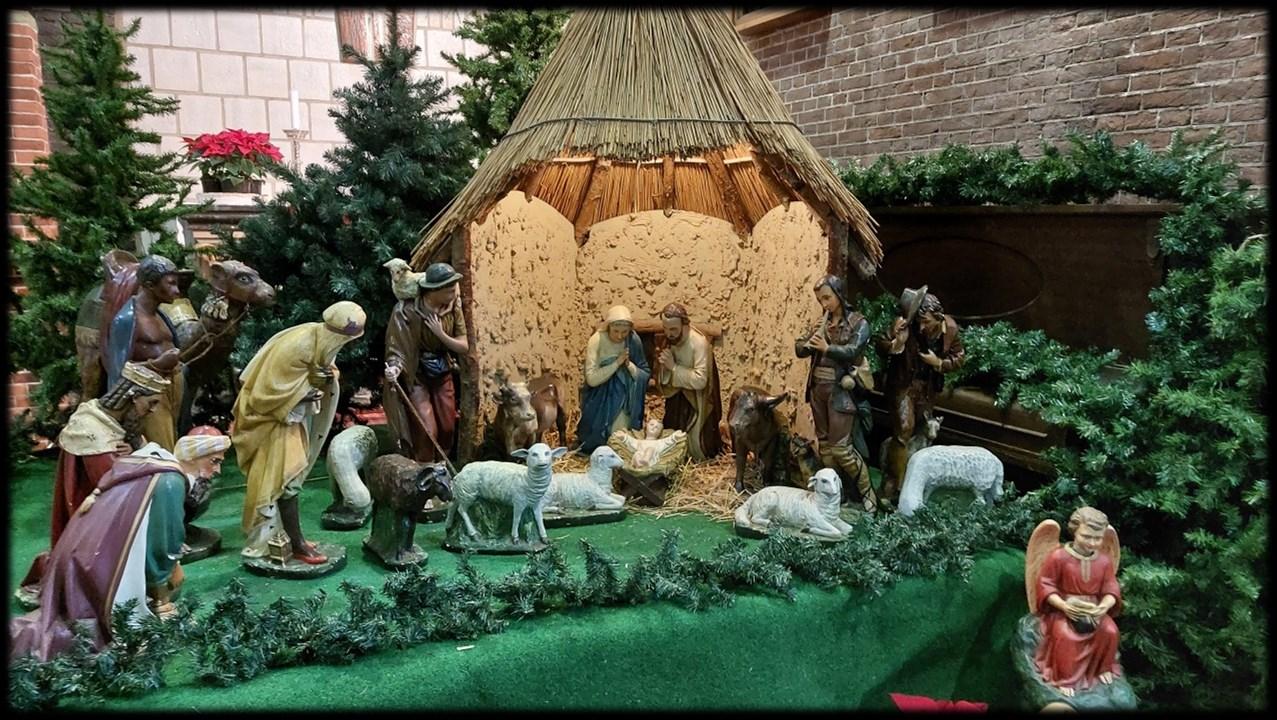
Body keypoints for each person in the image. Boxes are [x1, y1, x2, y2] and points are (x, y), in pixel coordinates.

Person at [9, 428, 228, 663]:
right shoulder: (171, 482)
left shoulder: (152, 462)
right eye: (214, 461)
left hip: (81, 555)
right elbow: (161, 545)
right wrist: (164, 595)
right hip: (97, 566)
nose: (217, 471)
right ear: (193, 457)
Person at [15, 362, 170, 604]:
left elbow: (134, 451)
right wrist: (139, 461)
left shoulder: (121, 421)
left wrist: (136, 450)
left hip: (110, 512)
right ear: (132, 397)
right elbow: (113, 485)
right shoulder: (91, 430)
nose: (153, 410)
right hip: (95, 522)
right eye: (150, 403)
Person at [233, 301, 366, 564]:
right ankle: (296, 544)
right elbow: (263, 394)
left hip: (291, 421)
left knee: (287, 480)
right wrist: (307, 390)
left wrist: (324, 379)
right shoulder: (297, 347)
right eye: (345, 341)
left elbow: (324, 371)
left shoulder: (320, 339)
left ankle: (284, 536)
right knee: (286, 481)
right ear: (337, 334)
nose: (344, 346)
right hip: (273, 423)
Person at [795, 275, 876, 511]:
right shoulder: (821, 323)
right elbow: (799, 347)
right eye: (820, 300)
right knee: (826, 448)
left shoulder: (858, 323)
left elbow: (853, 350)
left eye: (827, 298)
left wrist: (827, 348)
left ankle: (867, 495)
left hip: (841, 392)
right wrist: (807, 344)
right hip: (818, 390)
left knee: (842, 448)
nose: (824, 304)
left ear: (839, 294)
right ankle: (837, 494)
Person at [877, 287, 965, 501]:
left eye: (926, 321)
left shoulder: (950, 329)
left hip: (927, 388)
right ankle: (893, 484)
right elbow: (881, 345)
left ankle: (914, 482)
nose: (922, 327)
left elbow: (959, 357)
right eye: (919, 321)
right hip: (904, 385)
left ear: (938, 316)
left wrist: (939, 363)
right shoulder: (905, 325)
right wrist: (896, 341)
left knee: (920, 431)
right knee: (903, 430)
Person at [384, 262, 470, 464]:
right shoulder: (405, 311)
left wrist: (440, 334)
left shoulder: (453, 308)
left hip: (442, 371)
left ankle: (441, 467)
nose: (454, 293)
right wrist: (395, 367)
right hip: (417, 374)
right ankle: (424, 469)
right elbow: (396, 346)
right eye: (449, 290)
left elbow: (463, 345)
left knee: (447, 426)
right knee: (426, 429)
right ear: (434, 291)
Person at [1034, 506, 1123, 696]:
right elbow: (1045, 585)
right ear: (1075, 531)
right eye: (1086, 536)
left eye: (1097, 538)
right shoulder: (1058, 557)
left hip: (1093, 610)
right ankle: (1065, 678)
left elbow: (1111, 587)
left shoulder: (1104, 561)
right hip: (1063, 609)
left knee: (1110, 631)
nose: (1092, 543)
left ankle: (1102, 668)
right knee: (1066, 636)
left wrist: (1104, 606)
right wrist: (1064, 606)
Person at [101, 254, 187, 451]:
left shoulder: (161, 315)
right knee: (161, 447)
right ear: (149, 285)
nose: (176, 290)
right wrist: (155, 365)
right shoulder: (126, 320)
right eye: (171, 283)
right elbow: (118, 372)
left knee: (173, 440)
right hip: (148, 394)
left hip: (173, 386)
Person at [576, 305, 651, 454]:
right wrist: (616, 363)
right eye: (616, 331)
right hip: (602, 400)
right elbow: (591, 378)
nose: (620, 336)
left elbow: (644, 373)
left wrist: (629, 366)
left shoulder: (633, 340)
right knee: (601, 436)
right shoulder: (597, 340)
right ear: (608, 327)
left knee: (621, 436)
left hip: (626, 401)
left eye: (624, 332)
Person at [655, 303, 722, 462]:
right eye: (665, 328)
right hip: (676, 398)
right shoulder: (669, 340)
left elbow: (701, 380)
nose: (669, 333)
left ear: (685, 325)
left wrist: (674, 368)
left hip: (696, 402)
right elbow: (663, 375)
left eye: (673, 329)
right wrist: (664, 370)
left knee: (694, 444)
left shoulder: (698, 343)